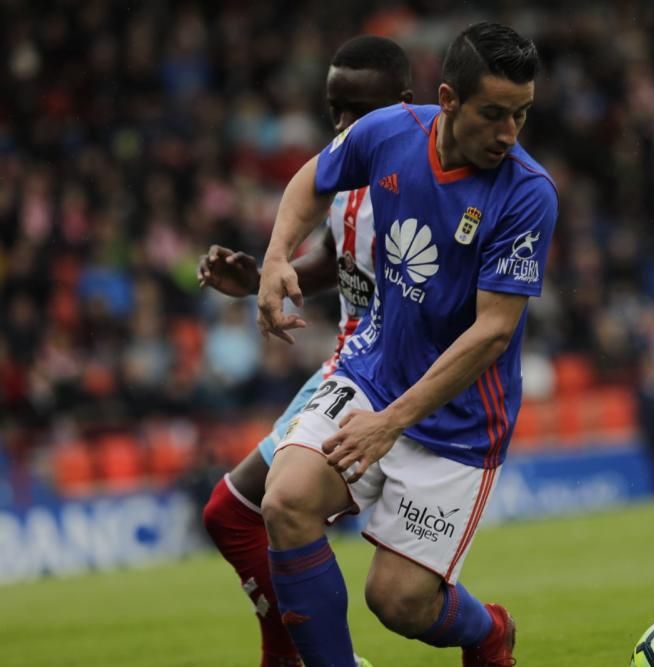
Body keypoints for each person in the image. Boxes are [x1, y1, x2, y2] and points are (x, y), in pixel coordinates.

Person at [256, 21, 556, 667]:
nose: (508, 133)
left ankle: (488, 633)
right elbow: (314, 177)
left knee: (397, 601)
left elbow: (493, 332)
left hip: (462, 420)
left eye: (522, 115)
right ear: (446, 100)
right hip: (376, 369)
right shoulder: (390, 131)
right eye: (494, 114)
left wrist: (390, 424)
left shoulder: (528, 195)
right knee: (284, 500)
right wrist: (277, 254)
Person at [199, 35, 413, 667]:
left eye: (359, 111)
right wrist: (268, 273)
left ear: (404, 106)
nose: (343, 126)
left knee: (249, 513)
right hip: (344, 365)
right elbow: (337, 260)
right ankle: (295, 656)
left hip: (384, 380)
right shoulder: (343, 177)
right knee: (230, 513)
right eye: (333, 109)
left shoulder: (420, 187)